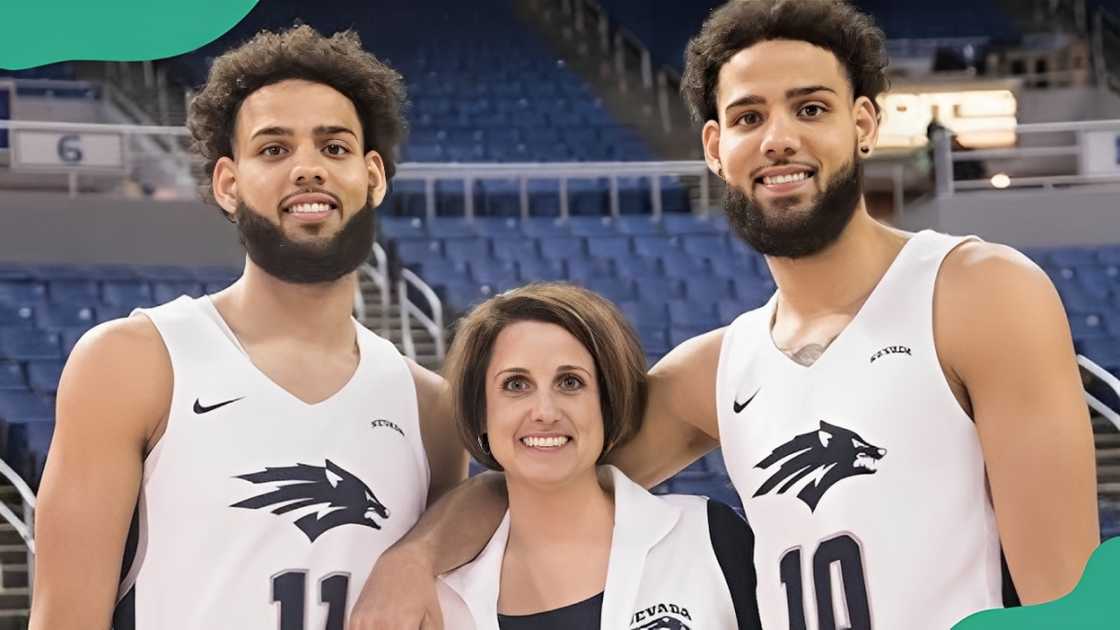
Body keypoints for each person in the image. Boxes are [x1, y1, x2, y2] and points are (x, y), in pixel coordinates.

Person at [349, 1, 1099, 628]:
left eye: (811, 108)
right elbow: (538, 470)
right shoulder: (717, 370)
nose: (778, 138)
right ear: (715, 146)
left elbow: (1064, 600)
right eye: (748, 116)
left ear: (865, 124)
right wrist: (415, 558)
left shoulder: (975, 292)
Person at [30, 25, 465, 630]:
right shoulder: (134, 362)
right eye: (274, 149)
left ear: (374, 176)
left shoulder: (430, 408)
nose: (308, 169)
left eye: (334, 148)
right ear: (228, 184)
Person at [434, 283, 761, 630]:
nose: (545, 411)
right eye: (516, 385)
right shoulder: (441, 598)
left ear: (606, 405)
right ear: (482, 412)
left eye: (570, 383)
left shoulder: (708, 536)